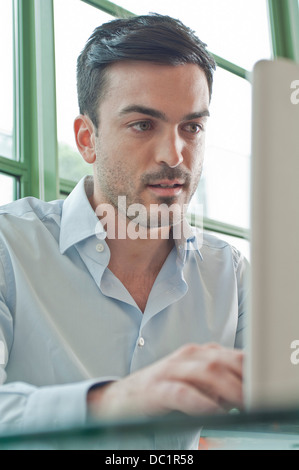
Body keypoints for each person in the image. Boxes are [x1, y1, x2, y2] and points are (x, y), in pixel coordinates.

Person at [0, 14, 249, 449]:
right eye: (142, 124)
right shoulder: (8, 247)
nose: (175, 155)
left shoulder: (234, 275)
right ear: (86, 139)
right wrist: (117, 400)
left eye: (191, 127)